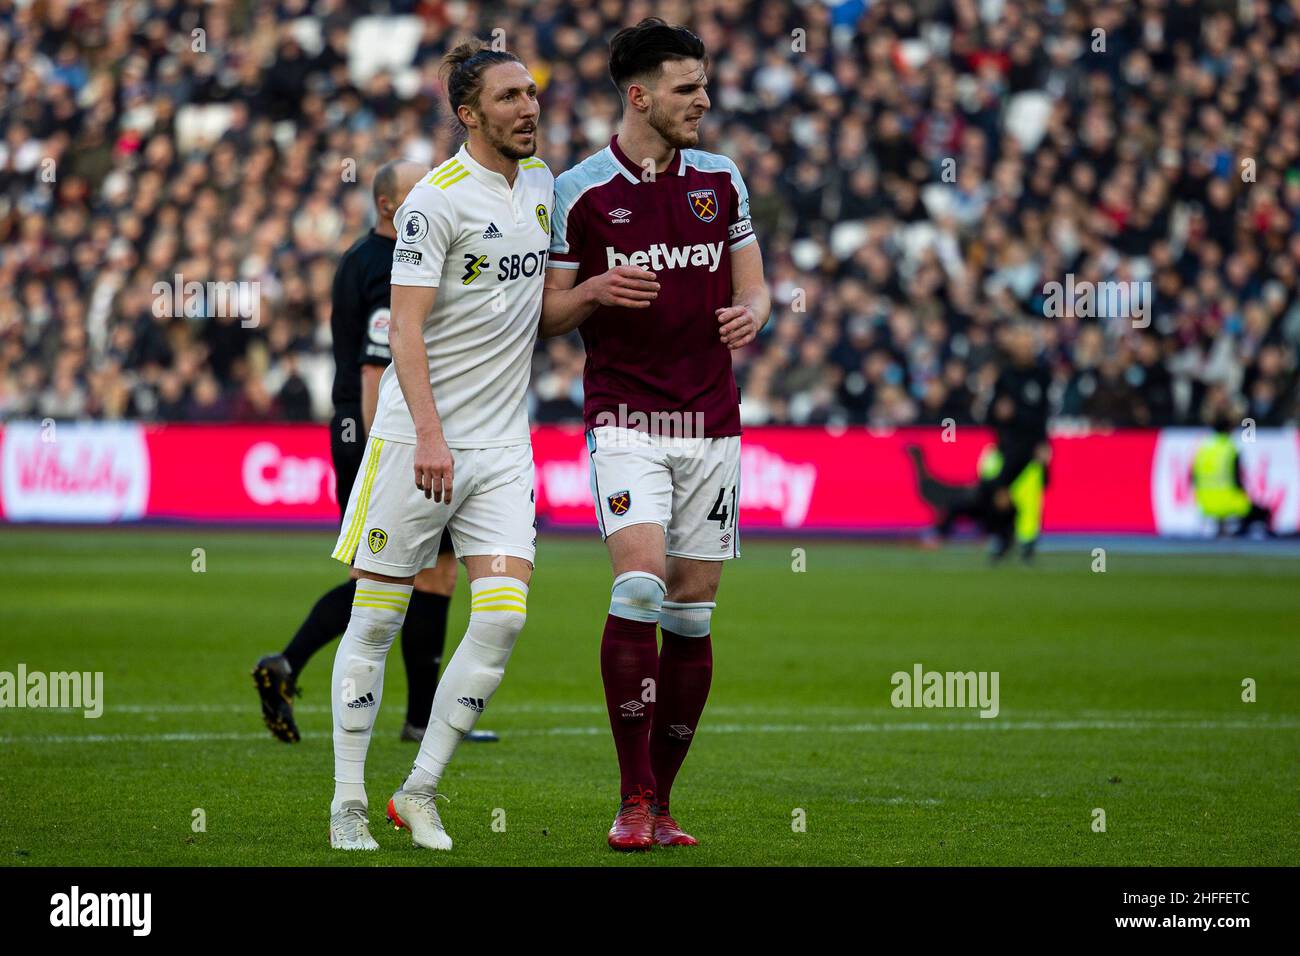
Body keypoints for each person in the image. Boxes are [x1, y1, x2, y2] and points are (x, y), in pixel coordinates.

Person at [542, 18, 770, 850]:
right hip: (626, 418)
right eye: (687, 88)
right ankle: (631, 798)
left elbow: (758, 289)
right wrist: (597, 287)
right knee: (638, 586)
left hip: (713, 420)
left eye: (705, 85)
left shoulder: (721, 178)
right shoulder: (580, 190)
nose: (703, 101)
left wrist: (754, 313)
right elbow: (549, 317)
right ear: (639, 96)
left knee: (693, 615)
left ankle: (663, 803)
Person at [326, 41, 551, 851]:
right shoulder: (434, 202)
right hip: (417, 440)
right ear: (468, 113)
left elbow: (532, 308)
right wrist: (426, 433)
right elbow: (407, 329)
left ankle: (418, 788)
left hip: (502, 447)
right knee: (378, 617)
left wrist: (592, 292)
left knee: (501, 620)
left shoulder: (542, 186)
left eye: (531, 93)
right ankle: (347, 801)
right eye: (508, 98)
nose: (528, 108)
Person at [250, 161, 497, 746]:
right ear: (390, 205)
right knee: (383, 578)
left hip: (384, 428)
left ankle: (418, 718)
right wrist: (376, 451)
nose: (436, 194)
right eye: (419, 188)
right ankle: (288, 663)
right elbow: (373, 367)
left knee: (435, 575)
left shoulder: (365, 258)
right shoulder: (385, 265)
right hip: (381, 431)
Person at [986, 322, 1051, 561]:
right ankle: (1002, 537)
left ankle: (1028, 542)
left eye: (1028, 343)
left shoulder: (1042, 376)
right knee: (997, 490)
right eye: (1019, 343)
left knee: (1030, 495)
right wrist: (997, 412)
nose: (1023, 348)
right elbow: (990, 414)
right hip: (1007, 445)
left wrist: (1044, 442)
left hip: (1032, 446)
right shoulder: (1004, 376)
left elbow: (1043, 414)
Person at [1192, 415, 1274, 536]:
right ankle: (1240, 539)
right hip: (1228, 501)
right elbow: (1237, 481)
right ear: (1229, 430)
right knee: (1262, 512)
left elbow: (1194, 477)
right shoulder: (1230, 449)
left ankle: (1228, 533)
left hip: (1204, 503)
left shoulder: (1203, 449)